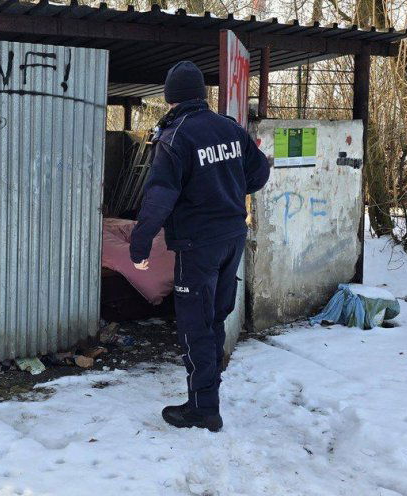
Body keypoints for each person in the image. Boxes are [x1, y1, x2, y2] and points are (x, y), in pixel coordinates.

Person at [129, 61, 270, 432]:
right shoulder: (230, 128)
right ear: (201, 95)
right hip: (232, 238)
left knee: (195, 325)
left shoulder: (176, 138)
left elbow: (159, 197)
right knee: (214, 317)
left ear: (171, 97)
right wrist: (226, 191)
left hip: (199, 245)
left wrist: (140, 245)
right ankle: (206, 397)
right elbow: (259, 173)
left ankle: (203, 409)